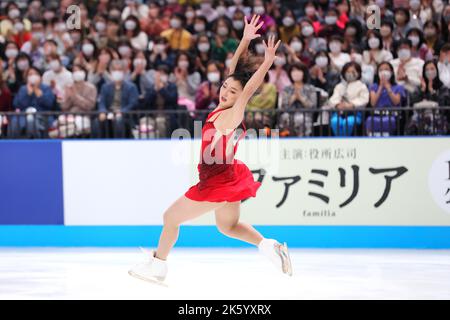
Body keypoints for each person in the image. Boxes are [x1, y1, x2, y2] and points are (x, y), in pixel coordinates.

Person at [128, 15, 292, 285]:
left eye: (231, 92)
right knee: (227, 226)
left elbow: (248, 89)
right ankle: (270, 247)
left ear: (239, 98)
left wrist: (266, 63)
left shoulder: (232, 114)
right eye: (224, 88)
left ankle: (158, 266)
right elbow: (233, 72)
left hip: (217, 181)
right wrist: (245, 40)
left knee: (170, 217)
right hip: (226, 175)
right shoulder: (222, 106)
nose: (225, 92)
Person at [93, 59, 139, 138]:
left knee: (118, 121)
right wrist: (102, 111)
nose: (117, 72)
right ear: (110, 71)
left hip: (125, 116)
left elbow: (133, 103)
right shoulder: (105, 87)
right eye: (114, 69)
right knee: (97, 122)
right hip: (109, 114)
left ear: (124, 71)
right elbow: (101, 101)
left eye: (119, 70)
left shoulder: (131, 87)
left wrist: (121, 112)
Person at [328, 61, 369, 136]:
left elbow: (364, 100)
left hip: (355, 113)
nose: (350, 74)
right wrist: (337, 105)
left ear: (358, 73)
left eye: (353, 71)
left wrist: (351, 105)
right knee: (335, 121)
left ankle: (347, 141)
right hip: (340, 113)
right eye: (348, 71)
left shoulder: (362, 86)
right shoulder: (339, 86)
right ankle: (340, 141)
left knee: (348, 122)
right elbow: (333, 98)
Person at [366, 61, 406, 136]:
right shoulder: (373, 87)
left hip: (393, 115)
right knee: (370, 120)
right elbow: (373, 103)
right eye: (381, 70)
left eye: (386, 69)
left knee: (389, 121)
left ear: (391, 72)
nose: (384, 72)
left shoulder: (398, 87)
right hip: (377, 114)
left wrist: (388, 88)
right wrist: (381, 87)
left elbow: (396, 102)